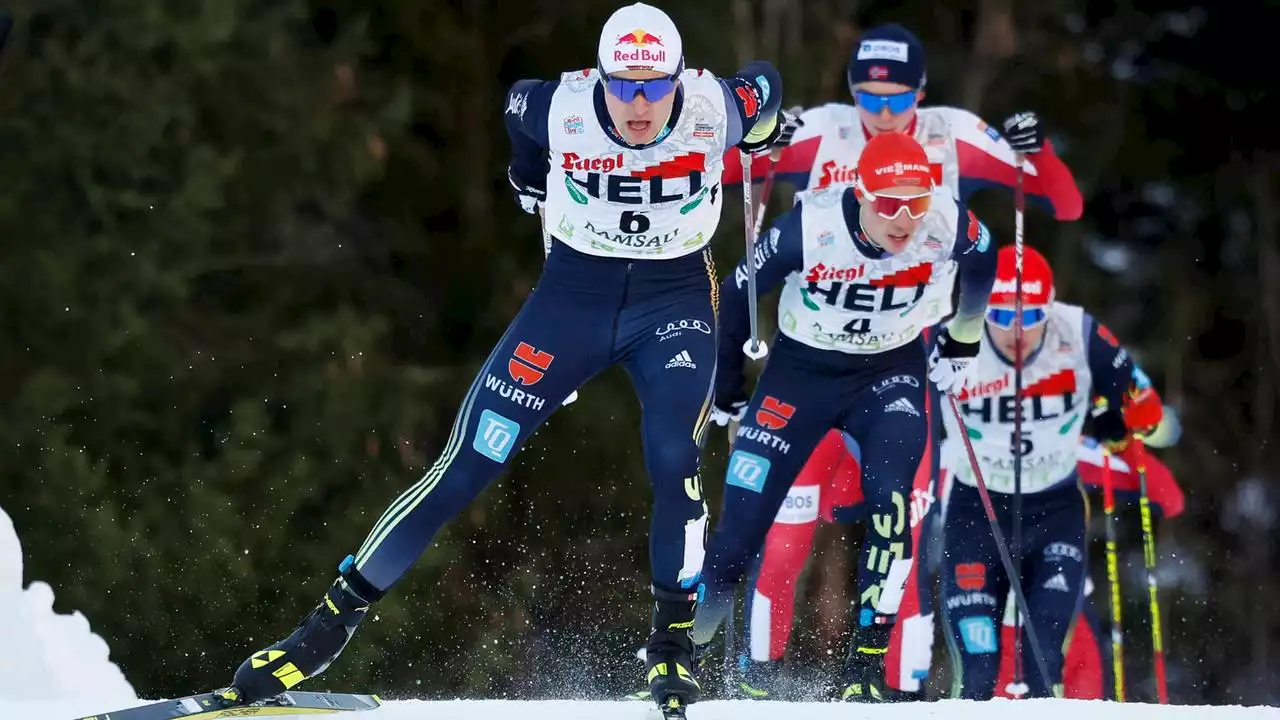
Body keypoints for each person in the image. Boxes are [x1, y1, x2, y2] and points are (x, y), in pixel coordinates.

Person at [220, 3, 796, 713]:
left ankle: (672, 651)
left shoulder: (716, 106)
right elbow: (517, 107)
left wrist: (765, 126)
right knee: (468, 460)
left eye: (654, 87)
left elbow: (764, 82)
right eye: (623, 85)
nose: (639, 105)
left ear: (680, 79)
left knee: (674, 457)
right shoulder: (562, 106)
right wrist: (528, 175)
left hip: (671, 303)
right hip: (572, 301)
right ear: (602, 79)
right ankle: (324, 630)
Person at [718, 22, 1084, 700]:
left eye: (897, 98)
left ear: (921, 89)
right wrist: (752, 125)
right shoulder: (824, 128)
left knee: (904, 542)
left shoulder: (954, 135)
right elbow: (723, 166)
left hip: (902, 364)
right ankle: (755, 686)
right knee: (783, 541)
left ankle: (900, 690)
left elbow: (1061, 201)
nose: (881, 112)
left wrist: (1044, 149)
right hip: (810, 362)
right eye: (868, 95)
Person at [690, 130, 998, 702]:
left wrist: (964, 336)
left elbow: (986, 256)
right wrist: (728, 388)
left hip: (889, 374)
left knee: (891, 504)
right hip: (801, 374)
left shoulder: (945, 222)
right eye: (888, 204)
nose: (905, 218)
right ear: (860, 193)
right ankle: (681, 658)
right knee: (740, 532)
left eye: (917, 201)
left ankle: (866, 674)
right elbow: (735, 295)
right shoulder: (810, 227)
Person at [938, 245, 1161, 699]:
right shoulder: (949, 338)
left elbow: (1149, 410)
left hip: (1053, 513)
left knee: (1043, 664)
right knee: (978, 672)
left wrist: (1125, 416)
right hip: (975, 516)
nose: (1015, 334)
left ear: (1050, 305)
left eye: (1030, 316)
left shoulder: (1078, 332)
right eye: (999, 319)